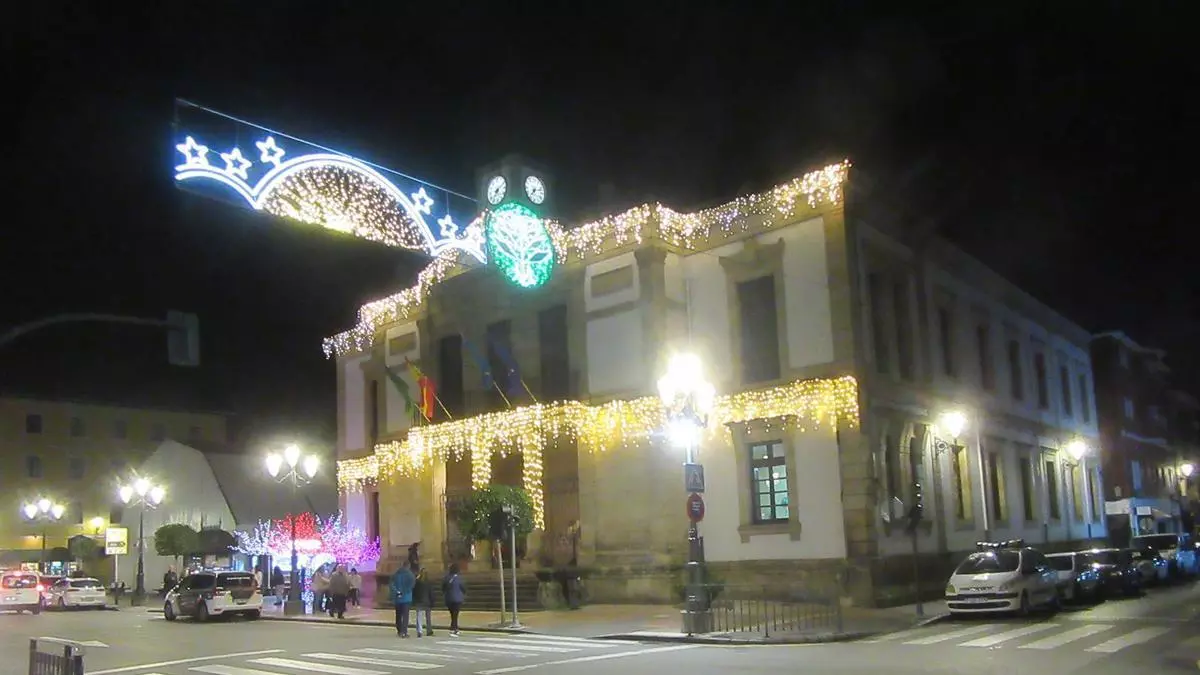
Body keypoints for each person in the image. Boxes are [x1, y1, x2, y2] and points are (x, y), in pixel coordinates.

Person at [390, 561, 416, 638]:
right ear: (408, 566)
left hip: (397, 598)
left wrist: (397, 591)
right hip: (406, 598)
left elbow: (391, 584)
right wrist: (404, 592)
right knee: (405, 616)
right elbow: (411, 585)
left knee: (398, 615)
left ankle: (399, 630)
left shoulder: (396, 574)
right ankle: (404, 631)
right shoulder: (410, 575)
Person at [442, 563, 466, 637]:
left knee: (453, 614)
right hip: (458, 599)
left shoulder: (446, 578)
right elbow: (463, 588)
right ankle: (454, 628)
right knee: (455, 615)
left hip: (449, 599)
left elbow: (443, 588)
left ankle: (454, 628)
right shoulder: (459, 578)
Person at [411, 567, 433, 637]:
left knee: (419, 616)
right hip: (427, 601)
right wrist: (432, 601)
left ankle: (419, 631)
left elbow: (414, 591)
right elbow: (431, 593)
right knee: (428, 617)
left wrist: (414, 600)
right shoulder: (428, 582)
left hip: (419, 601)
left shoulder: (417, 582)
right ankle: (429, 630)